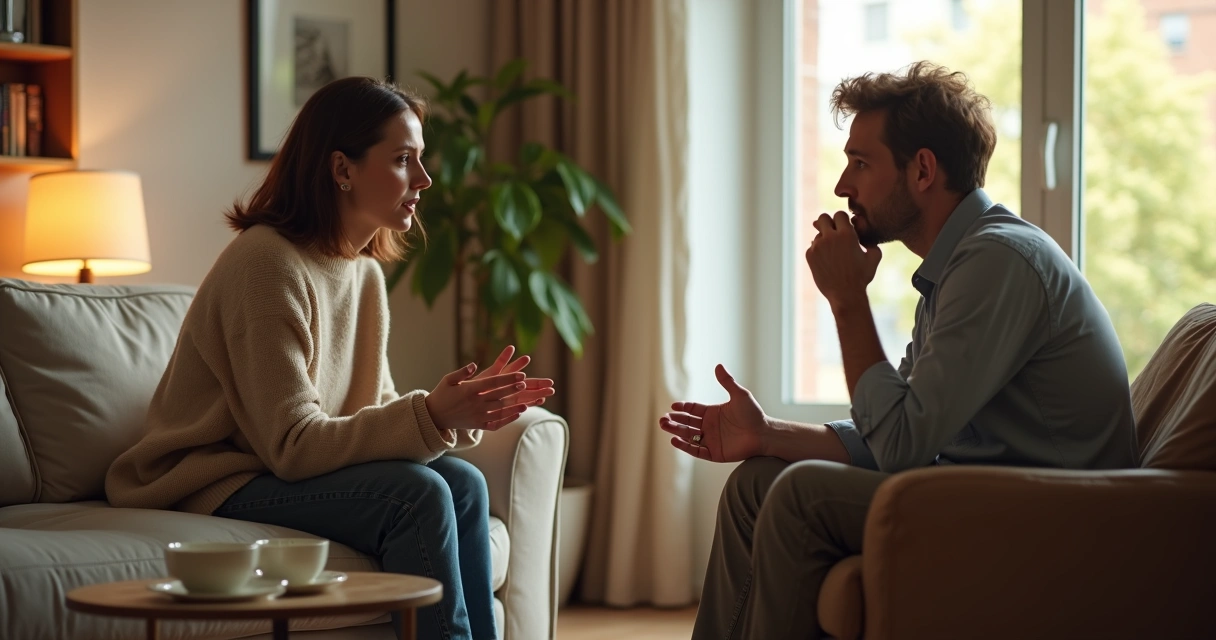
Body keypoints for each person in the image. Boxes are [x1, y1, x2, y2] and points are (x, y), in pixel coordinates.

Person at [660, 61, 1137, 639]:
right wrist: (768, 435)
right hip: (985, 498)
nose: (842, 186)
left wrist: (847, 300)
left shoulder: (997, 262)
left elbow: (903, 447)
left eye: (861, 163)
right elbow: (896, 433)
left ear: (924, 170)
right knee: (754, 482)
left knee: (801, 495)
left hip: (1050, 521)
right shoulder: (957, 268)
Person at [106, 76, 553, 640]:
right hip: (218, 478)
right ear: (342, 169)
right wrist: (431, 416)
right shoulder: (265, 264)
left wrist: (453, 416)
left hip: (274, 467)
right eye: (403, 160)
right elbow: (291, 446)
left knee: (463, 483)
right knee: (417, 495)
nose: (425, 179)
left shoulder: (363, 271)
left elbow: (373, 408)